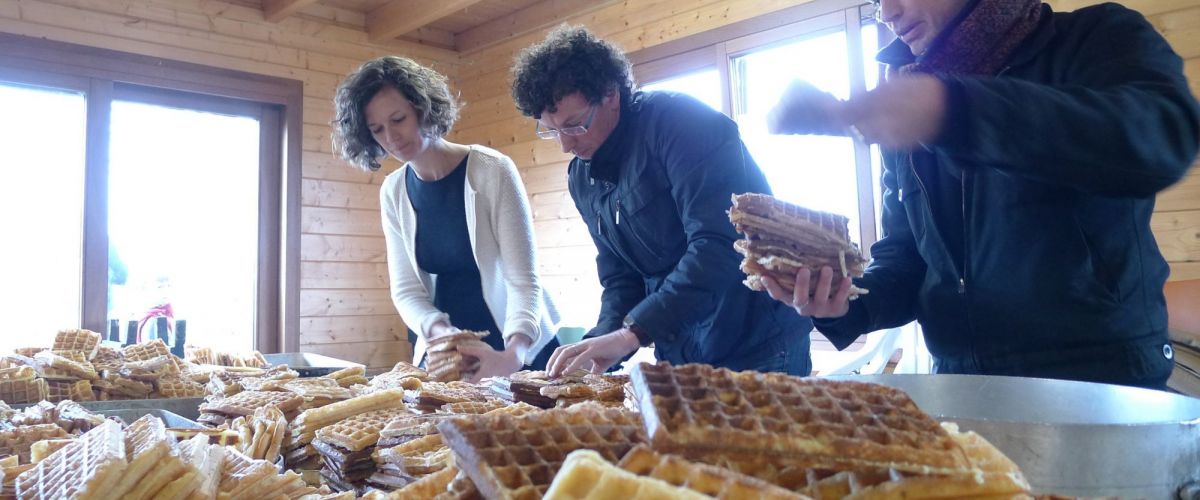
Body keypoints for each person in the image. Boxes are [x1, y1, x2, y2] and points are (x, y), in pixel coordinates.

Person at [764, 0, 1200, 388]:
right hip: (963, 386)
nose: (888, 12)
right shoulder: (911, 104)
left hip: (1104, 384)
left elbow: (1163, 136)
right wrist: (843, 302)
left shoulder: (1094, 36)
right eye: (878, 1)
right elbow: (906, 261)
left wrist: (955, 110)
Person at [510, 26, 815, 377]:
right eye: (550, 130)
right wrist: (601, 341)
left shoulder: (681, 124)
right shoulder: (582, 176)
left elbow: (721, 242)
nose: (565, 145)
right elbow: (620, 276)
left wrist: (633, 332)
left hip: (757, 339)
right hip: (681, 348)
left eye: (574, 125)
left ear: (611, 94)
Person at [332, 56, 559, 380]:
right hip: (450, 352)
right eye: (377, 129)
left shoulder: (493, 170)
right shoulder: (394, 191)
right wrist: (440, 332)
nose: (391, 137)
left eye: (398, 119)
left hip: (520, 341)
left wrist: (514, 353)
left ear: (424, 109)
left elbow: (523, 280)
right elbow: (407, 291)